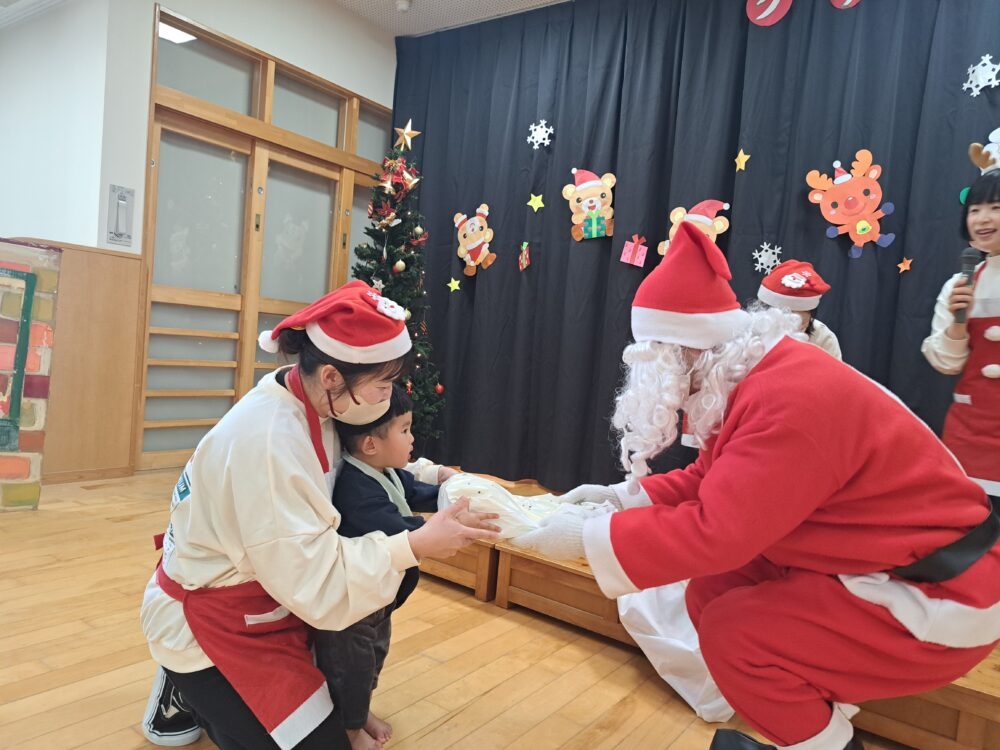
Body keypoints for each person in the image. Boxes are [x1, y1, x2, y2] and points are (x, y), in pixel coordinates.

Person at [514, 222, 1000, 750]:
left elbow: (719, 531)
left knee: (735, 634)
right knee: (714, 589)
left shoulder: (789, 397)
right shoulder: (761, 376)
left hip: (941, 590)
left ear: (685, 353)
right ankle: (809, 727)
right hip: (879, 562)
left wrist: (586, 539)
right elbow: (712, 480)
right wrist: (617, 499)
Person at [139, 280, 499, 750]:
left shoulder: (314, 398)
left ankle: (229, 697)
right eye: (383, 385)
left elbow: (366, 458)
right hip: (214, 613)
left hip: (270, 587)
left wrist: (435, 477)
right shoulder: (269, 444)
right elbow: (318, 583)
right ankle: (186, 681)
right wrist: (415, 544)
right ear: (331, 376)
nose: (388, 397)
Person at [317, 384, 473, 750]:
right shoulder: (356, 489)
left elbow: (415, 493)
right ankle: (350, 729)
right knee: (351, 669)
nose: (412, 438)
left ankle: (360, 711)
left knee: (374, 658)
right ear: (370, 444)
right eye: (404, 430)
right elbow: (401, 529)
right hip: (353, 605)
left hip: (380, 598)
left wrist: (455, 497)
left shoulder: (386, 472)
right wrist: (439, 526)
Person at [921, 168, 1000, 495]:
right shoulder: (959, 285)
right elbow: (947, 363)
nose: (983, 219)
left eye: (996, 208)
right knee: (972, 519)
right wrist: (958, 322)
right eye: (975, 210)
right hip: (971, 433)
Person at [757, 259, 841, 360]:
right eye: (788, 322)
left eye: (803, 325)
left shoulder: (823, 338)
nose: (795, 330)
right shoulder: (747, 334)